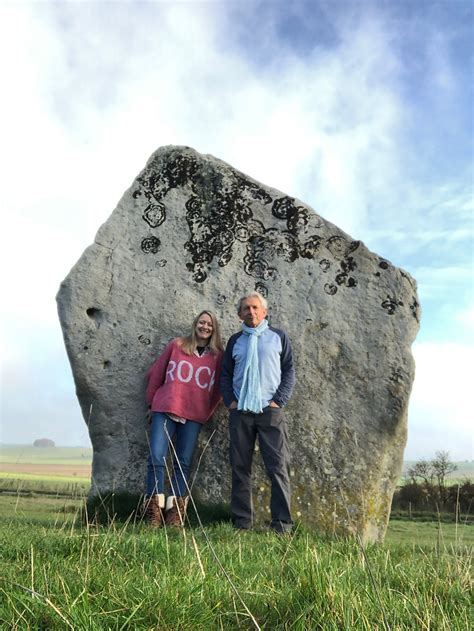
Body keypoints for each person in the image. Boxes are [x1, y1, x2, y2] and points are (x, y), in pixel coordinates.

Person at [221, 291, 296, 534]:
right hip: (241, 412)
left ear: (264, 311)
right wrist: (230, 401)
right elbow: (225, 374)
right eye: (246, 308)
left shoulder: (278, 337)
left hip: (269, 411)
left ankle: (282, 525)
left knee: (277, 467)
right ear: (239, 314)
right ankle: (242, 524)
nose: (251, 312)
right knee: (240, 467)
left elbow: (289, 371)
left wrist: (279, 400)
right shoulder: (235, 341)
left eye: (255, 307)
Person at [144, 310, 223, 527]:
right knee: (156, 457)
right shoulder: (177, 345)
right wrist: (151, 403)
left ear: (214, 329)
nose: (205, 327)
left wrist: (206, 412)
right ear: (195, 324)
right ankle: (154, 511)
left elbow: (219, 390)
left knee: (183, 462)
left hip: (194, 415)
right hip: (165, 408)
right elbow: (156, 374)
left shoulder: (217, 356)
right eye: (201, 322)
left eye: (209, 324)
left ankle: (175, 514)